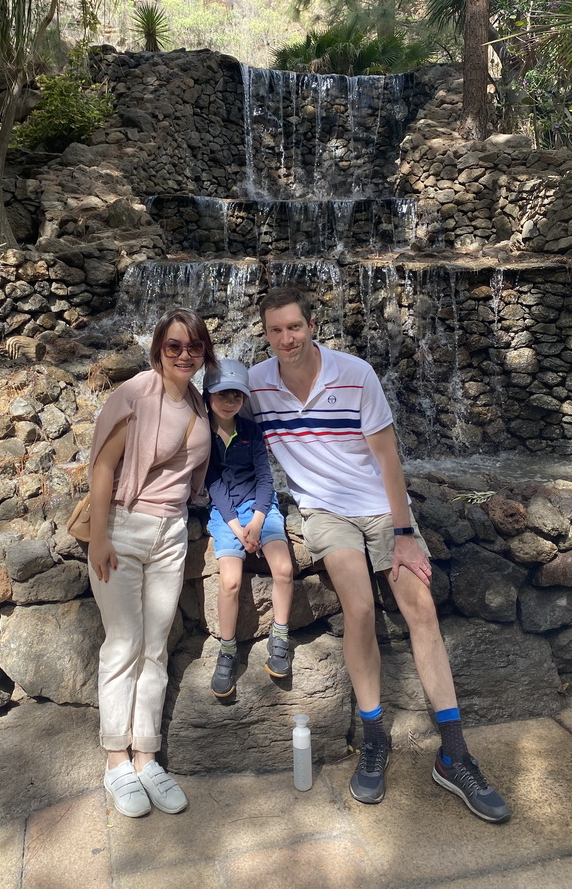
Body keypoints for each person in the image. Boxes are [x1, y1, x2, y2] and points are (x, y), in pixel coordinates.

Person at [247, 287, 511, 824]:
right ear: (266, 333)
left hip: (381, 507)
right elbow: (211, 416)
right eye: (275, 331)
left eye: (293, 327)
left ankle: (454, 755)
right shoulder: (255, 385)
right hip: (324, 513)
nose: (285, 339)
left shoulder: (356, 373)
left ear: (312, 324)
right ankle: (374, 738)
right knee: (360, 611)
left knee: (421, 609)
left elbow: (388, 457)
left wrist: (405, 531)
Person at [87, 307, 216, 818]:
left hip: (171, 533)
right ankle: (116, 760)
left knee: (155, 646)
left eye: (194, 348)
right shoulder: (136, 395)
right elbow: (103, 465)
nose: (185, 355)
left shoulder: (202, 403)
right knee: (123, 644)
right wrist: (99, 536)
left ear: (205, 353)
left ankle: (147, 756)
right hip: (124, 527)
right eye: (174, 347)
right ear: (158, 350)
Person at [203, 358, 294, 697]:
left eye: (237, 396)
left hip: (260, 508)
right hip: (225, 514)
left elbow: (265, 478)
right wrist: (236, 527)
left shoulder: (252, 430)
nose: (230, 402)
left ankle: (280, 637)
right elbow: (213, 484)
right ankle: (227, 650)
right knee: (230, 581)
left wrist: (257, 520)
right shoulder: (203, 435)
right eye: (223, 395)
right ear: (208, 395)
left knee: (283, 568)